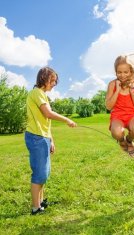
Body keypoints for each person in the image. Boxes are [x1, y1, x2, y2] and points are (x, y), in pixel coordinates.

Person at [25, 67, 77, 215]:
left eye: (55, 81)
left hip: (43, 137)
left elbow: (46, 122)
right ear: (44, 78)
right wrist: (67, 119)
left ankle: (40, 202)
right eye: (52, 80)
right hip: (36, 137)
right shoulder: (37, 93)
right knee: (39, 174)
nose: (54, 83)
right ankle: (35, 208)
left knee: (44, 173)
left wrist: (51, 140)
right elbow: (48, 113)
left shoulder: (42, 95)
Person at [105, 54, 134, 157]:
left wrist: (132, 92)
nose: (122, 75)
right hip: (117, 116)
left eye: (126, 72)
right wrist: (117, 90)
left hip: (132, 115)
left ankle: (129, 140)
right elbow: (108, 106)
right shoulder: (112, 84)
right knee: (117, 132)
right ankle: (121, 141)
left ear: (131, 71)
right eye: (119, 72)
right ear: (116, 72)